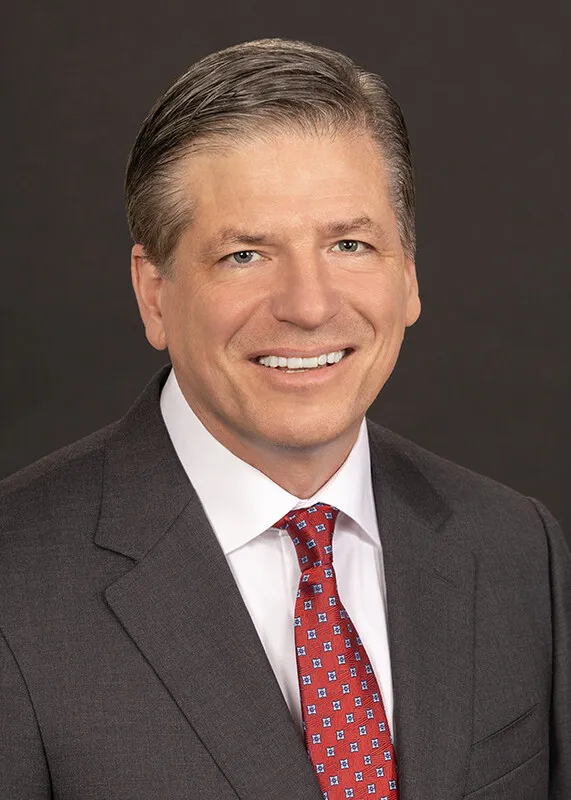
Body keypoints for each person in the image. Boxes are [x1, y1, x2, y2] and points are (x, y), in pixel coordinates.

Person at [0, 37, 569, 800]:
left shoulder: (513, 548)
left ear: (406, 276)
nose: (308, 304)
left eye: (349, 243)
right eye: (244, 254)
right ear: (154, 292)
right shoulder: (17, 584)